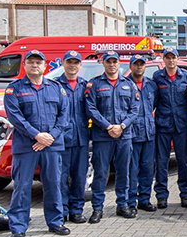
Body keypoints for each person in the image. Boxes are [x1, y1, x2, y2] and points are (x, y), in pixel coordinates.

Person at [4, 50, 70, 237]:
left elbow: (64, 116)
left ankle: (55, 222)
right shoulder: (14, 89)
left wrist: (51, 136)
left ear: (44, 66)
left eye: (38, 62)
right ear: (24, 65)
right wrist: (36, 135)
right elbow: (15, 116)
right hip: (27, 146)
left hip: (51, 145)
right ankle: (18, 228)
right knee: (22, 186)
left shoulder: (56, 88)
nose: (35, 65)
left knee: (53, 185)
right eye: (31, 62)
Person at [85, 51, 140, 222]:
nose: (112, 65)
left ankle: (122, 205)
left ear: (119, 63)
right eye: (108, 61)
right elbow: (91, 108)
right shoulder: (94, 84)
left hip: (124, 135)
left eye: (114, 61)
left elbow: (135, 109)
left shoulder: (129, 84)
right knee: (101, 173)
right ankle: (97, 208)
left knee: (124, 172)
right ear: (103, 63)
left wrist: (122, 126)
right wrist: (108, 126)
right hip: (103, 136)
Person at [152, 46, 187, 209]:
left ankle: (186, 194)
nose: (170, 60)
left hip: (181, 125)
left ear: (177, 59)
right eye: (167, 58)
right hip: (163, 125)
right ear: (163, 59)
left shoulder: (185, 76)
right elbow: (154, 100)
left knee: (183, 161)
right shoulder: (157, 77)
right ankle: (161, 196)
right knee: (162, 162)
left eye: (173, 57)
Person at [56, 50, 90, 224]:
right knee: (60, 177)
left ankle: (76, 210)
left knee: (79, 177)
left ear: (80, 65)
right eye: (69, 62)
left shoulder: (85, 85)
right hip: (61, 139)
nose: (72, 65)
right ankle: (62, 210)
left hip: (81, 138)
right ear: (63, 63)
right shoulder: (55, 86)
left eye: (75, 62)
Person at [126, 54, 158, 213]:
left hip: (149, 133)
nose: (139, 67)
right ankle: (131, 202)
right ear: (130, 66)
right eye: (136, 64)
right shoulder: (124, 85)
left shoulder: (151, 85)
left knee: (147, 168)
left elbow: (155, 104)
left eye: (141, 64)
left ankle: (144, 199)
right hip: (132, 134)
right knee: (132, 170)